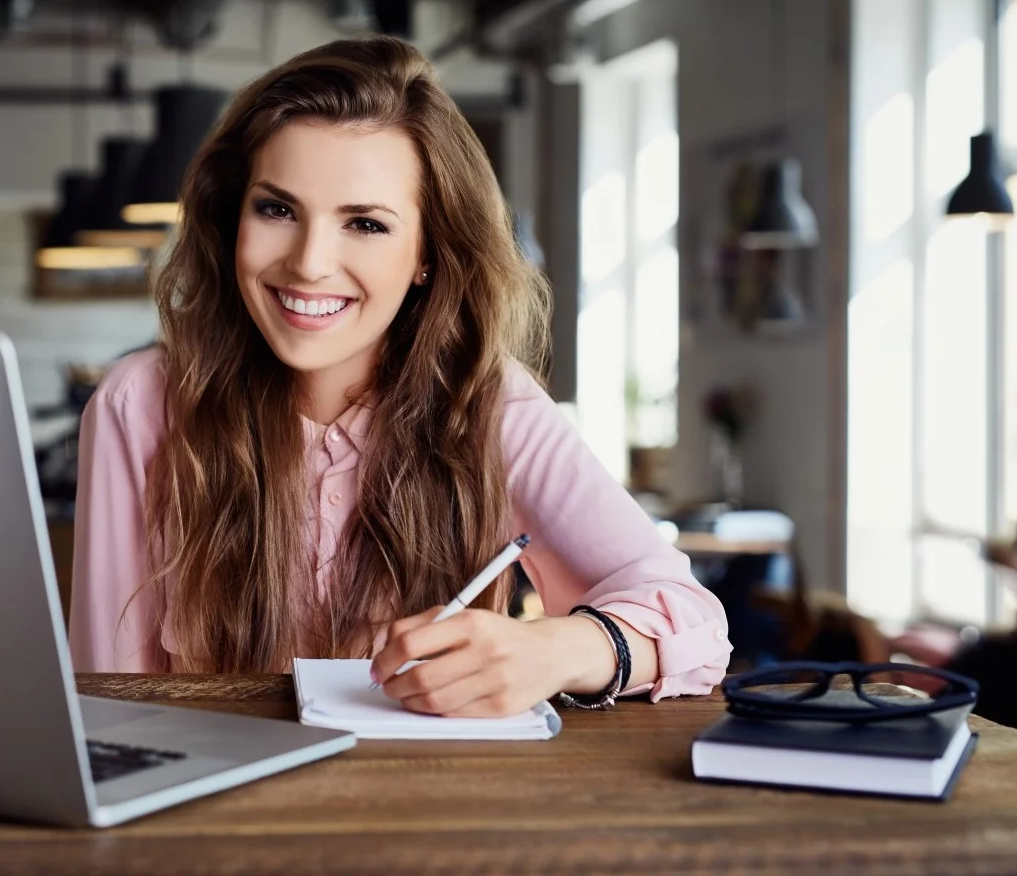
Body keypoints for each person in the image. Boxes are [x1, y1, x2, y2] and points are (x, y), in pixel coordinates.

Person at [69, 36, 729, 716]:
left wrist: (554, 651)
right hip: (207, 812)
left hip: (431, 808)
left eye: (364, 223)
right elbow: (112, 705)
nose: (309, 263)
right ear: (230, 215)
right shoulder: (140, 403)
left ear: (426, 255)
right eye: (277, 209)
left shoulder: (489, 403)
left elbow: (697, 623)